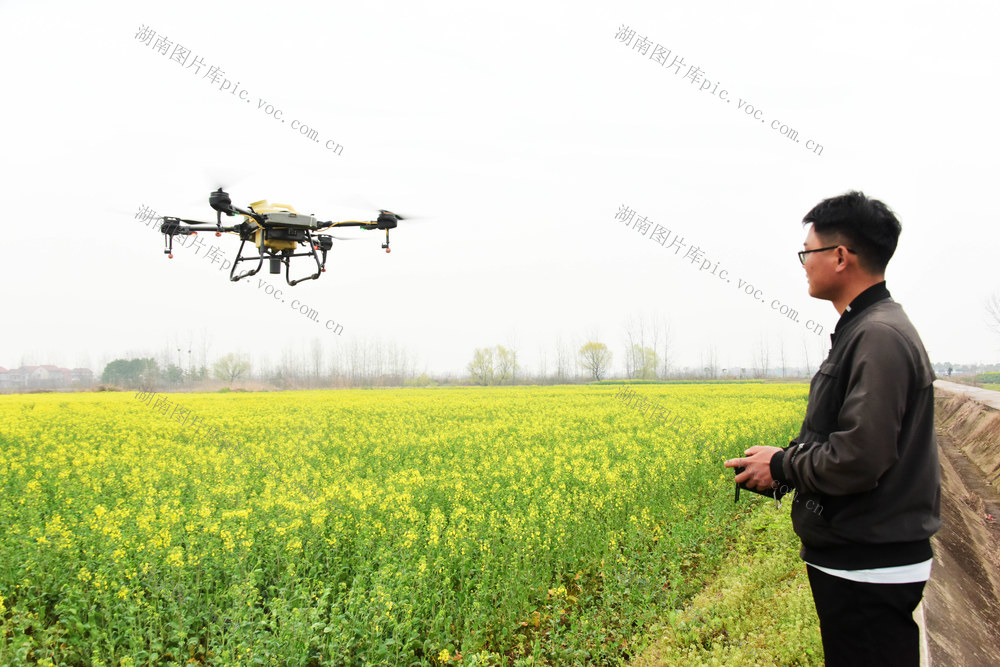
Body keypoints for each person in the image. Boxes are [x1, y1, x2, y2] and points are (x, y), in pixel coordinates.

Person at [724, 190, 940, 666]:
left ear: (840, 257)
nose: (804, 264)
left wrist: (783, 465)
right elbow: (848, 439)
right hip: (864, 559)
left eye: (808, 252)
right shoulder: (866, 328)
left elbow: (860, 457)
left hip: (869, 564)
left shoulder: (877, 335)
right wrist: (781, 465)